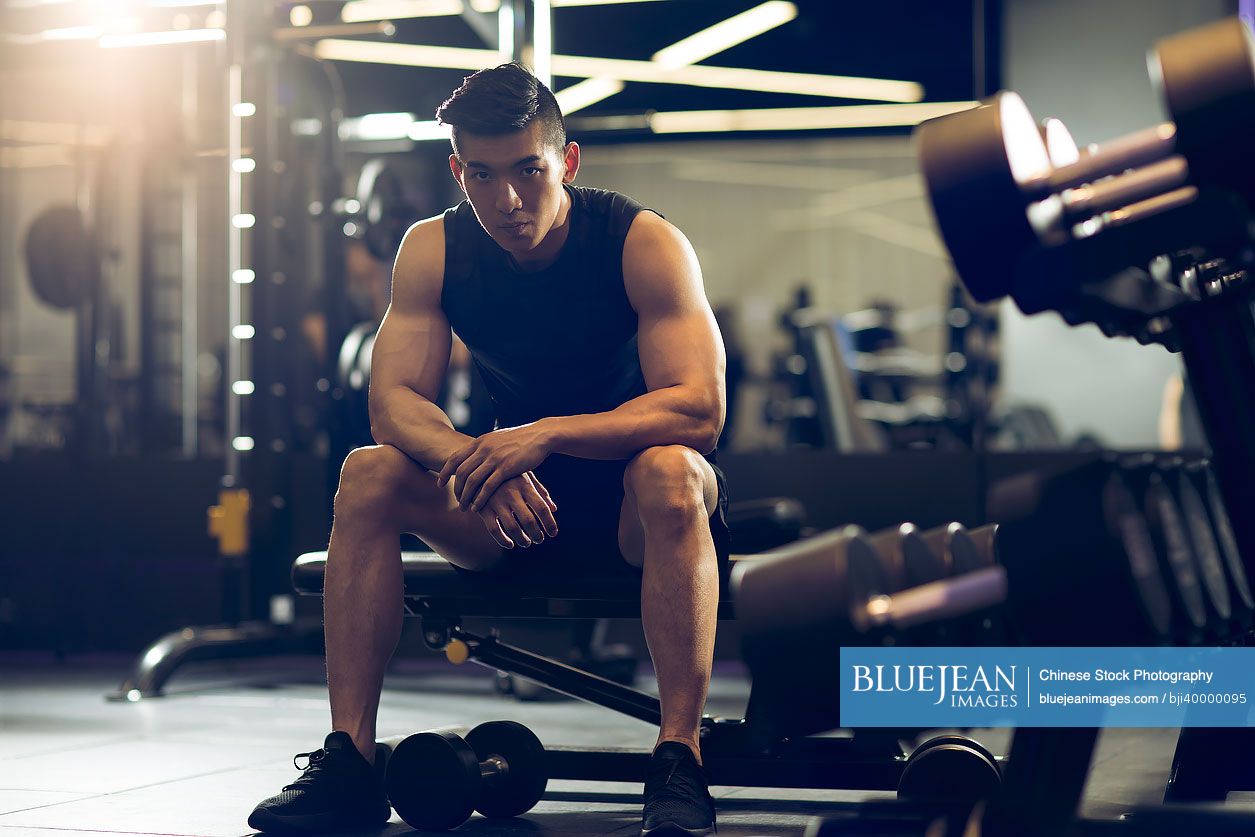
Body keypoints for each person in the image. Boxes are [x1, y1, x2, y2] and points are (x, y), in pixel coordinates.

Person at [248, 62, 729, 837]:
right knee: (368, 472)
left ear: (565, 162)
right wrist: (467, 461)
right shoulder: (434, 248)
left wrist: (540, 434)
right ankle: (349, 762)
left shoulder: (641, 241)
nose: (506, 200)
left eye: (527, 172)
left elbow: (698, 409)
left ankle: (679, 757)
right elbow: (393, 402)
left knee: (670, 467)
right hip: (507, 508)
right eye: (482, 174)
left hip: (635, 510)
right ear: (457, 170)